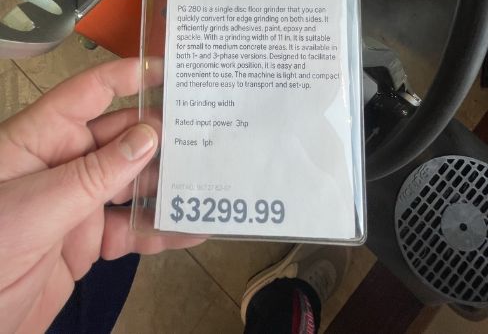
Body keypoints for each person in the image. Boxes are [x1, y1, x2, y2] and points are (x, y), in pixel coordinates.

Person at [0, 59, 348, 334]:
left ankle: (282, 307)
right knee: (119, 226)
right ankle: (284, 308)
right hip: (63, 292)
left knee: (116, 221)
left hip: (55, 287)